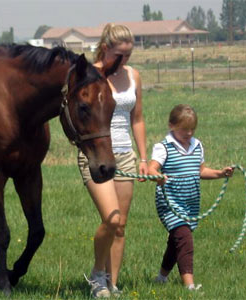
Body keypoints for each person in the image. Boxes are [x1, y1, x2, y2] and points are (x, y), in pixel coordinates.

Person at [79, 23, 148, 298]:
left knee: (120, 227)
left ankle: (111, 285)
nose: (125, 60)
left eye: (129, 54)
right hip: (96, 156)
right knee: (111, 218)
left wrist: (144, 158)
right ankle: (97, 275)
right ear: (106, 49)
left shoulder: (133, 76)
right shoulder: (89, 75)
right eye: (121, 54)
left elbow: (138, 118)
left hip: (126, 156)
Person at [147, 104, 234, 291]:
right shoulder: (164, 147)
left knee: (177, 240)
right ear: (172, 126)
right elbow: (152, 168)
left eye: (192, 129)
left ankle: (161, 277)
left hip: (190, 203)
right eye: (184, 129)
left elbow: (201, 170)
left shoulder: (197, 145)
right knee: (184, 238)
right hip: (170, 203)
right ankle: (190, 286)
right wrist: (157, 175)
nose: (189, 133)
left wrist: (220, 173)